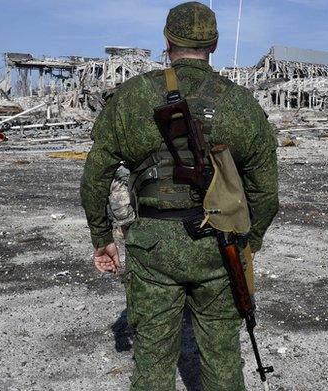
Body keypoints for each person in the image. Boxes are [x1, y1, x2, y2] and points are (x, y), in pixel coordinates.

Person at [79, 2, 279, 390]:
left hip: (152, 245)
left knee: (153, 359)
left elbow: (95, 176)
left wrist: (102, 238)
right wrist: (248, 244)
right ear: (215, 44)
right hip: (218, 244)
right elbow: (266, 195)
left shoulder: (132, 97)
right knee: (222, 357)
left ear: (167, 42)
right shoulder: (241, 104)